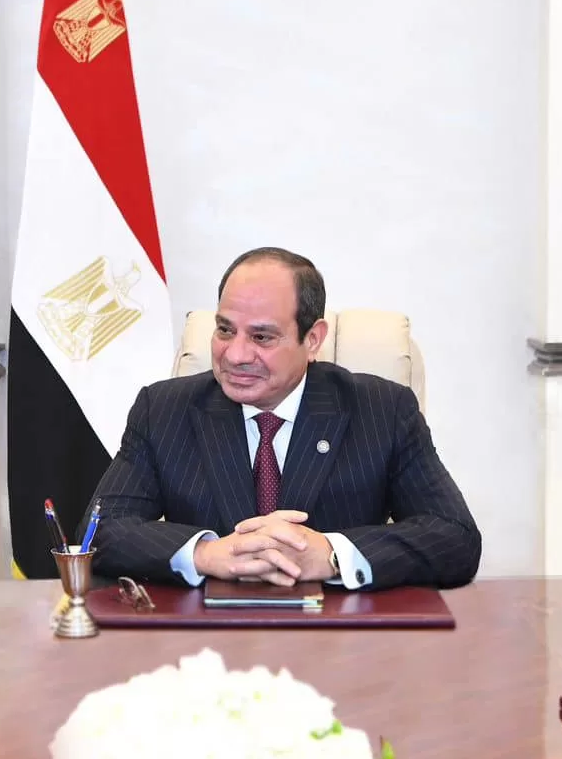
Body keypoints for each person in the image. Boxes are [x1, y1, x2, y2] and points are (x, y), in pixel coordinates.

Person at [86, 247, 480, 590]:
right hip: (207, 638)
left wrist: (332, 555)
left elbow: (454, 537)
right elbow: (98, 532)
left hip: (342, 638)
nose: (235, 355)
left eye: (262, 337)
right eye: (225, 330)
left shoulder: (382, 410)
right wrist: (206, 553)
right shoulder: (163, 409)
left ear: (313, 339)